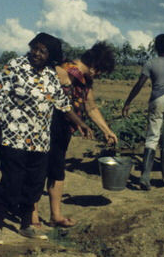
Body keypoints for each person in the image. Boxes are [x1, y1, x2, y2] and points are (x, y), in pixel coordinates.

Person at [0, 34, 91, 244]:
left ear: (51, 56)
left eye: (43, 51)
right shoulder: (15, 66)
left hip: (41, 138)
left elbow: (62, 103)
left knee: (34, 183)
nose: (37, 54)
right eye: (35, 48)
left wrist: (81, 123)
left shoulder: (51, 75)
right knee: (12, 182)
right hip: (15, 135)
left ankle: (26, 225)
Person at [31, 41, 119, 229]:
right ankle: (33, 217)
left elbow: (91, 107)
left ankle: (56, 216)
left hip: (64, 130)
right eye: (101, 70)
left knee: (57, 171)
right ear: (95, 66)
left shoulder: (85, 81)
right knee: (38, 171)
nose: (100, 74)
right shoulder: (61, 71)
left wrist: (107, 130)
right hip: (44, 127)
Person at [123, 34, 164, 188]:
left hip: (157, 99)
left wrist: (128, 102)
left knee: (152, 137)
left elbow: (140, 84)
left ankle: (145, 176)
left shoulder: (151, 63)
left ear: (156, 47)